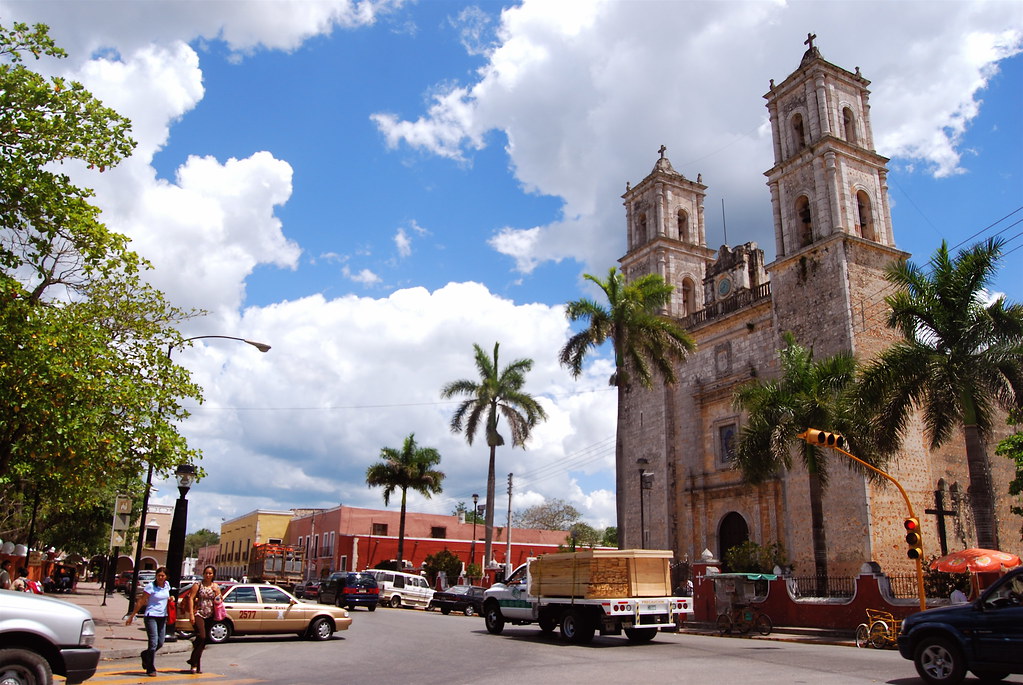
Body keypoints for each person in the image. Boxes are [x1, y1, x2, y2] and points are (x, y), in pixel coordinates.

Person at [126, 567, 170, 677]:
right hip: (151, 616)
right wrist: (132, 615)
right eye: (159, 575)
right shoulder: (151, 586)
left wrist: (171, 599)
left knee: (160, 642)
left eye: (163, 576)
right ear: (156, 576)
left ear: (166, 577)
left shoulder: (167, 585)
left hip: (162, 616)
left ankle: (145, 655)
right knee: (153, 643)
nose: (160, 577)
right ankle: (150, 667)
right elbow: (141, 600)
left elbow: (166, 598)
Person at [184, 565, 223, 675]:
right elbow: (191, 598)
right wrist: (191, 614)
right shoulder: (198, 585)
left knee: (203, 641)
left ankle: (195, 664)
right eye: (206, 573)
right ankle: (193, 660)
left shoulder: (215, 586)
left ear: (213, 575)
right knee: (202, 636)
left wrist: (216, 592)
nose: (208, 575)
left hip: (210, 615)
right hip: (199, 613)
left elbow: (219, 600)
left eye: (210, 573)